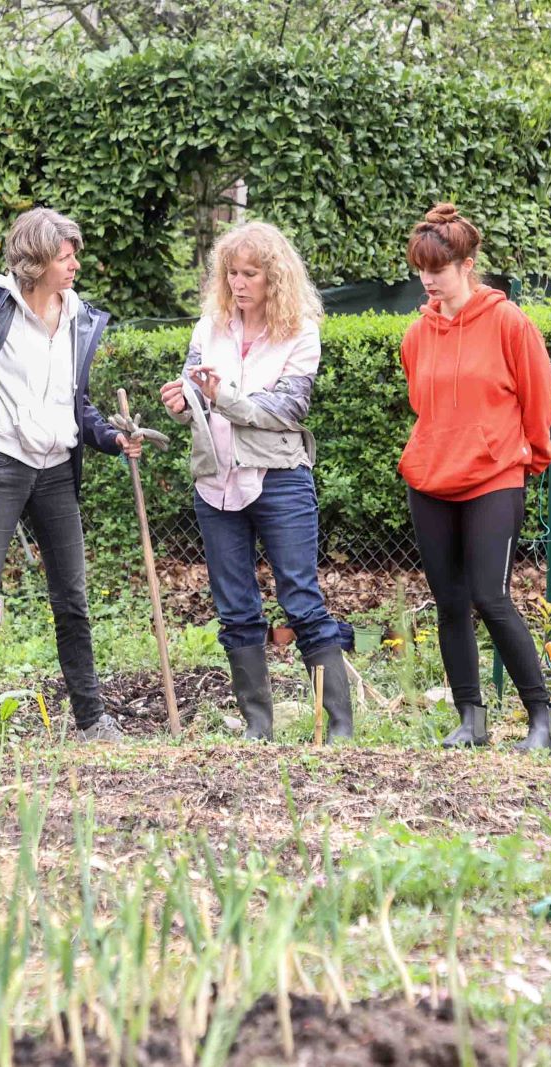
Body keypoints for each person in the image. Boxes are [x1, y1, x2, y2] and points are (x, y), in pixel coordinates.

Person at [0, 208, 144, 758]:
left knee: (72, 598)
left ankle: (92, 721)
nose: (74, 265)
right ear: (37, 260)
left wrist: (112, 439)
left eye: (74, 255)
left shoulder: (79, 317)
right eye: (65, 256)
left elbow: (77, 404)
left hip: (55, 470)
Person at [157, 221, 352, 742]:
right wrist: (183, 402)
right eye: (231, 273)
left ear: (275, 278)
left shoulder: (301, 332)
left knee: (301, 599)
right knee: (236, 607)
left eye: (250, 273)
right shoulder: (209, 326)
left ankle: (339, 727)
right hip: (214, 481)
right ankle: (257, 728)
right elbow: (197, 396)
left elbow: (286, 408)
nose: (239, 283)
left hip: (279, 479)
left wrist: (223, 398)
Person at [397, 204, 551, 753]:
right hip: (431, 480)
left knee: (492, 597)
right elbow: (423, 402)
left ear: (467, 264)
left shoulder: (509, 323)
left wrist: (526, 457)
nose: (428, 279)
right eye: (421, 268)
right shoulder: (417, 334)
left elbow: (539, 400)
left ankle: (542, 719)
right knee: (448, 602)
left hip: (495, 478)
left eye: (437, 268)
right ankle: (471, 719)